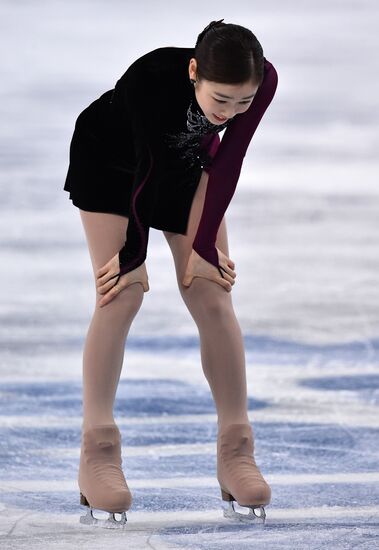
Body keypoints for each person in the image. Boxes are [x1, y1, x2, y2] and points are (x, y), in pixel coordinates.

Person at [63, 18, 278, 527]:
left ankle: (236, 449)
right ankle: (97, 452)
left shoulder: (258, 80)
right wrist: (133, 257)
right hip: (112, 165)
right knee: (123, 293)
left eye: (242, 103)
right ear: (193, 71)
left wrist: (203, 246)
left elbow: (229, 160)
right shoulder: (151, 80)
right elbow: (145, 171)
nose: (229, 113)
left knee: (210, 289)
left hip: (185, 165)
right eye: (219, 100)